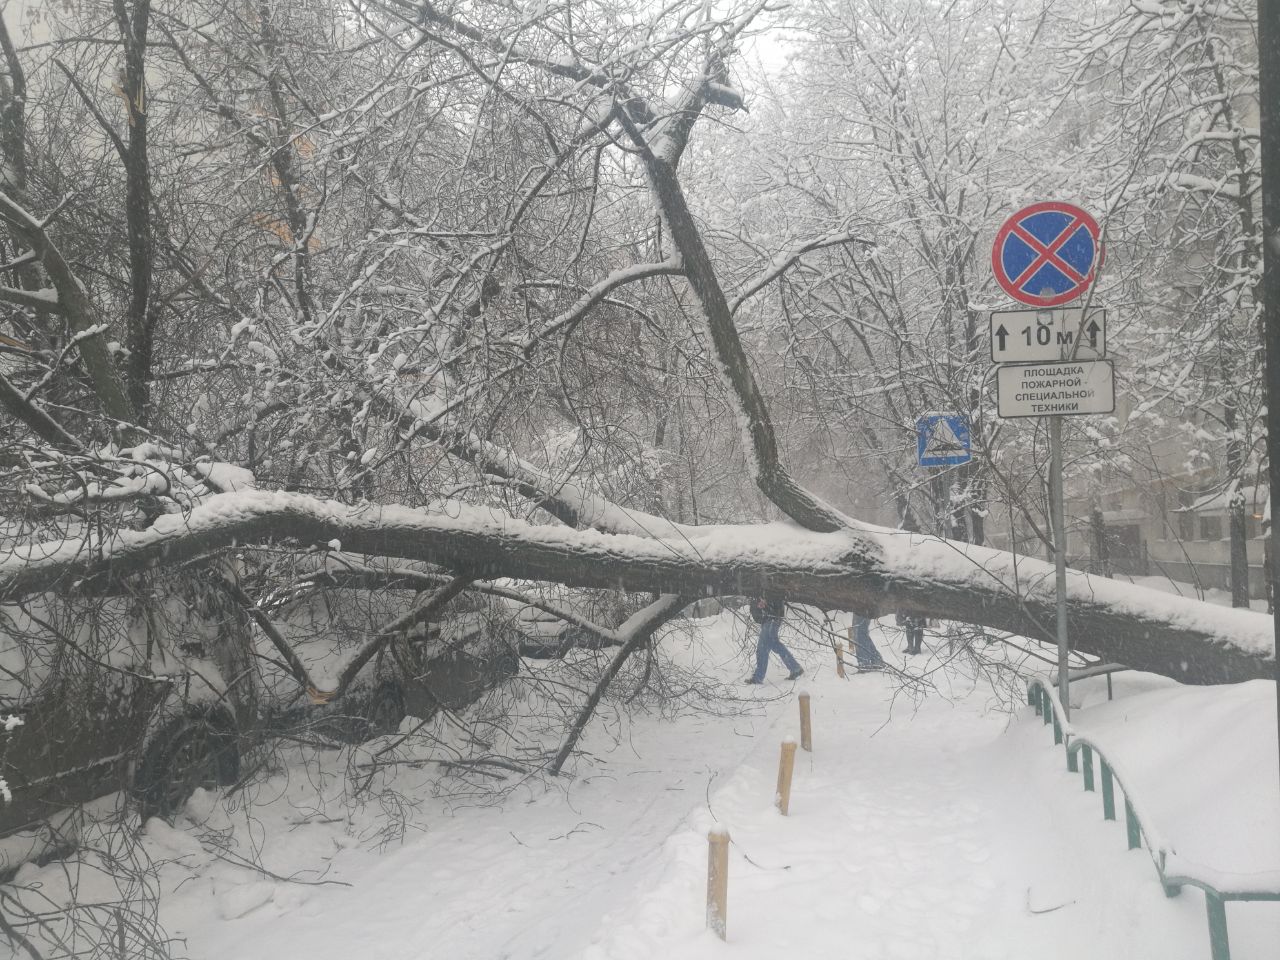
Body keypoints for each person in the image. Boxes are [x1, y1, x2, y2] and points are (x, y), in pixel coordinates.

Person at [745, 595, 803, 683]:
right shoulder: (759, 592)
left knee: (768, 646)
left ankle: (795, 668)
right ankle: (758, 677)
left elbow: (774, 600)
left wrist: (766, 607)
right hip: (769, 619)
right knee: (766, 648)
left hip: (771, 618)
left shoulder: (765, 589)